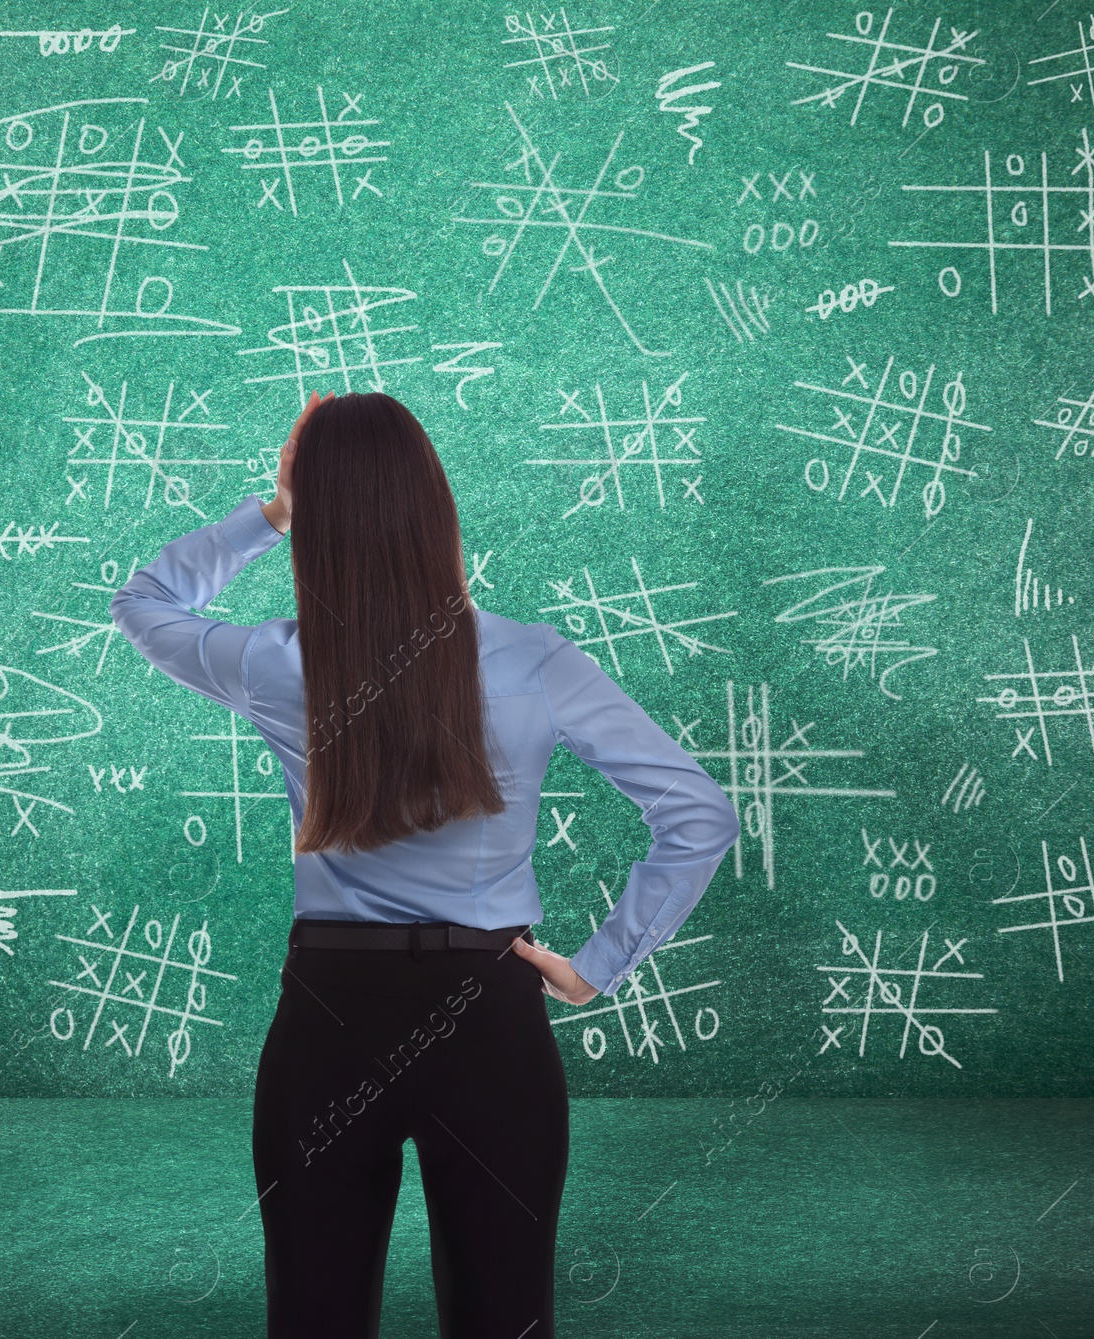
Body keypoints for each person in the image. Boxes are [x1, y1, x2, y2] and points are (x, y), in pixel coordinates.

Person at [110, 390, 740, 1339]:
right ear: (435, 504)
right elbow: (699, 812)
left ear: (320, 515)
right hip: (489, 1013)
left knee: (315, 1320)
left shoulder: (277, 664)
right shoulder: (533, 659)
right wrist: (598, 964)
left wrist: (272, 511)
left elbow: (144, 603)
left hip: (327, 1017)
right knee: (505, 1319)